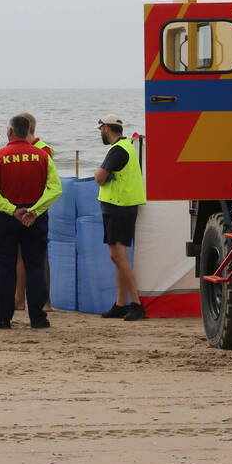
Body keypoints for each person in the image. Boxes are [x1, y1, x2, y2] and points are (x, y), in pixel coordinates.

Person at [0, 114, 62, 329]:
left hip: (6, 217)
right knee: (35, 266)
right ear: (28, 132)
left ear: (9, 132)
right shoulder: (42, 156)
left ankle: (2, 316)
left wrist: (12, 210)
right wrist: (35, 210)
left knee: (5, 266)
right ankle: (38, 317)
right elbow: (55, 189)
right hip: (35, 218)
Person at [93, 114, 147, 321]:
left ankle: (136, 303)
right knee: (117, 257)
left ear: (107, 128)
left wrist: (101, 173)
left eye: (101, 129)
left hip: (118, 206)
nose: (100, 133)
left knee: (119, 257)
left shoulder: (117, 150)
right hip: (121, 206)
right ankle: (121, 303)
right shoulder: (126, 146)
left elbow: (99, 177)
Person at [15, 113, 53, 309]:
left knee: (39, 255)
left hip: (37, 207)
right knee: (21, 254)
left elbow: (49, 182)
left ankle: (45, 301)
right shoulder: (26, 149)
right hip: (21, 207)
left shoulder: (43, 150)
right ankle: (20, 299)